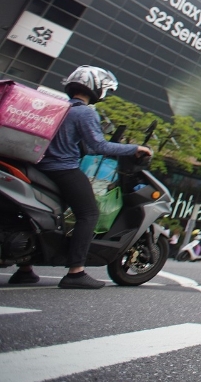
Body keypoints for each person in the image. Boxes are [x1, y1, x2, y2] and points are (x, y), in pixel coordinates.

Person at [7, 66, 150, 289]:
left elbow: (81, 145)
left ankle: (25, 269)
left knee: (42, 215)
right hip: (62, 169)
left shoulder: (59, 109)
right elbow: (98, 146)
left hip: (38, 167)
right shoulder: (85, 112)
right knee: (89, 213)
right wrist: (135, 148)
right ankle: (76, 272)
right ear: (96, 88)